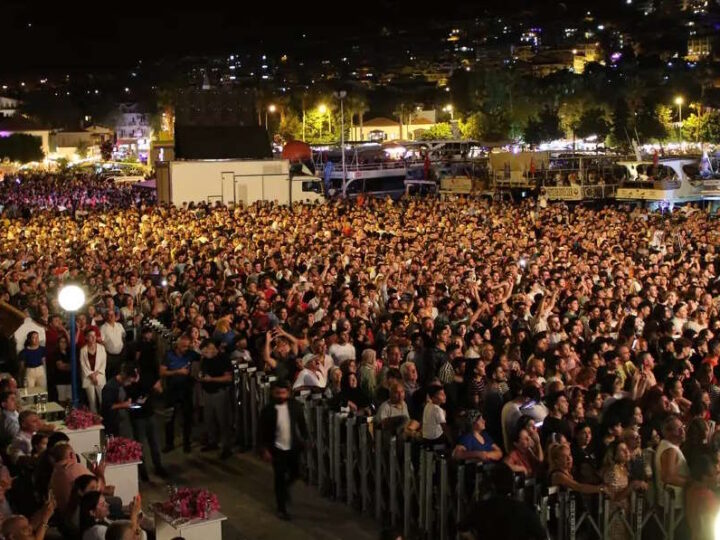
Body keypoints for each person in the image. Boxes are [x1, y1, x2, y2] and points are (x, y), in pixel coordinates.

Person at [259, 381, 308, 520]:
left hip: (292, 447)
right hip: (277, 449)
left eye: (283, 393)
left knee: (296, 472)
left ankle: (285, 488)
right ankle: (282, 508)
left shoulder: (294, 406)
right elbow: (262, 431)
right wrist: (264, 449)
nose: (281, 396)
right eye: (277, 393)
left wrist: (306, 438)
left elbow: (302, 424)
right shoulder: (268, 410)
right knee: (279, 478)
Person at [602, 441, 648, 540]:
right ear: (614, 454)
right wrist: (632, 486)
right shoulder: (612, 471)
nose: (627, 452)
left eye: (626, 449)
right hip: (614, 515)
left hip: (624, 513)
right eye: (622, 450)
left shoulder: (624, 468)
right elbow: (614, 496)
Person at [198, 339, 233, 459]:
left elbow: (228, 378)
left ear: (211, 348)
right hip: (207, 393)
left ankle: (226, 447)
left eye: (205, 351)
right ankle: (213, 442)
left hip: (220, 393)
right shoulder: (205, 360)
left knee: (223, 421)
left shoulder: (223, 359)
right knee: (209, 419)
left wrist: (211, 379)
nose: (203, 354)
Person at [160, 335, 195, 453]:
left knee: (187, 417)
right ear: (177, 346)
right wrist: (177, 371)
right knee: (169, 417)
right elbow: (163, 372)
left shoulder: (190, 354)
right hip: (172, 390)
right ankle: (169, 443)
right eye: (184, 346)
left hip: (186, 390)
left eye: (187, 346)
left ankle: (187, 442)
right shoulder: (169, 355)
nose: (186, 348)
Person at [655, 414, 689, 511]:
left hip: (673, 503)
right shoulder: (670, 449)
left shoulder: (669, 446)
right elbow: (668, 477)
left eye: (683, 427)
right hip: (673, 505)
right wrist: (691, 482)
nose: (682, 431)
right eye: (678, 429)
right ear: (668, 432)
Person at [685, 452, 720, 540]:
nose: (717, 478)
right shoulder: (707, 497)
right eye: (715, 474)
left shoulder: (691, 490)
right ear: (704, 477)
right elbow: (709, 532)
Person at [100, 363, 137, 437]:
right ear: (125, 377)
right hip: (112, 425)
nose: (130, 384)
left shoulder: (123, 385)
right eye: (129, 381)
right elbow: (108, 406)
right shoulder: (110, 387)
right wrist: (124, 405)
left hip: (122, 423)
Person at [80, 329, 107, 413]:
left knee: (102, 399)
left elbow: (103, 363)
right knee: (92, 401)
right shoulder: (83, 350)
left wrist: (96, 374)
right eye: (91, 336)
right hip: (88, 378)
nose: (93, 338)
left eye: (94, 336)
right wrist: (91, 375)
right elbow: (83, 365)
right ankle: (94, 418)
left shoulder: (101, 348)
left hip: (99, 376)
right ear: (86, 337)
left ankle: (104, 417)